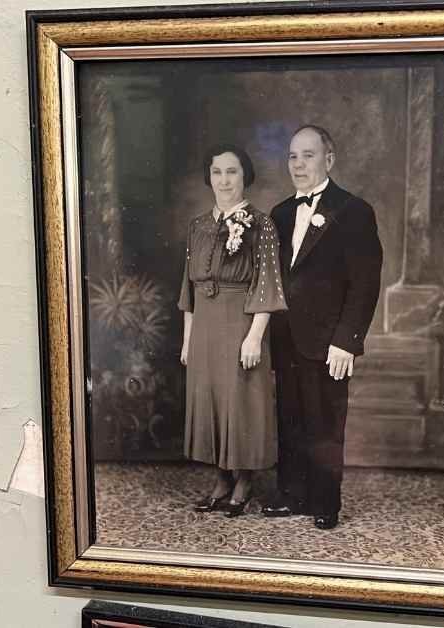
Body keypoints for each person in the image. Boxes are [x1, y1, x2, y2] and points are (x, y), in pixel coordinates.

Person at [264, 125, 383, 530]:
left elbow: (365, 283)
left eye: (308, 155)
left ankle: (325, 502)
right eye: (293, 156)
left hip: (330, 341)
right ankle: (292, 495)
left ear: (328, 160)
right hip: (286, 339)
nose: (299, 164)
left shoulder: (354, 211)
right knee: (291, 419)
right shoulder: (279, 214)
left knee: (326, 424)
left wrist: (347, 341)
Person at [178, 144, 287, 517]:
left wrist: (255, 335)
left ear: (246, 176)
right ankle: (221, 478)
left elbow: (268, 284)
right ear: (209, 177)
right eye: (217, 172)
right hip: (205, 326)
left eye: (232, 172)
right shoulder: (198, 226)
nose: (224, 180)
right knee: (211, 401)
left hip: (241, 322)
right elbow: (187, 288)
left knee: (241, 403)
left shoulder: (262, 225)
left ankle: (244, 479)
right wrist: (187, 338)